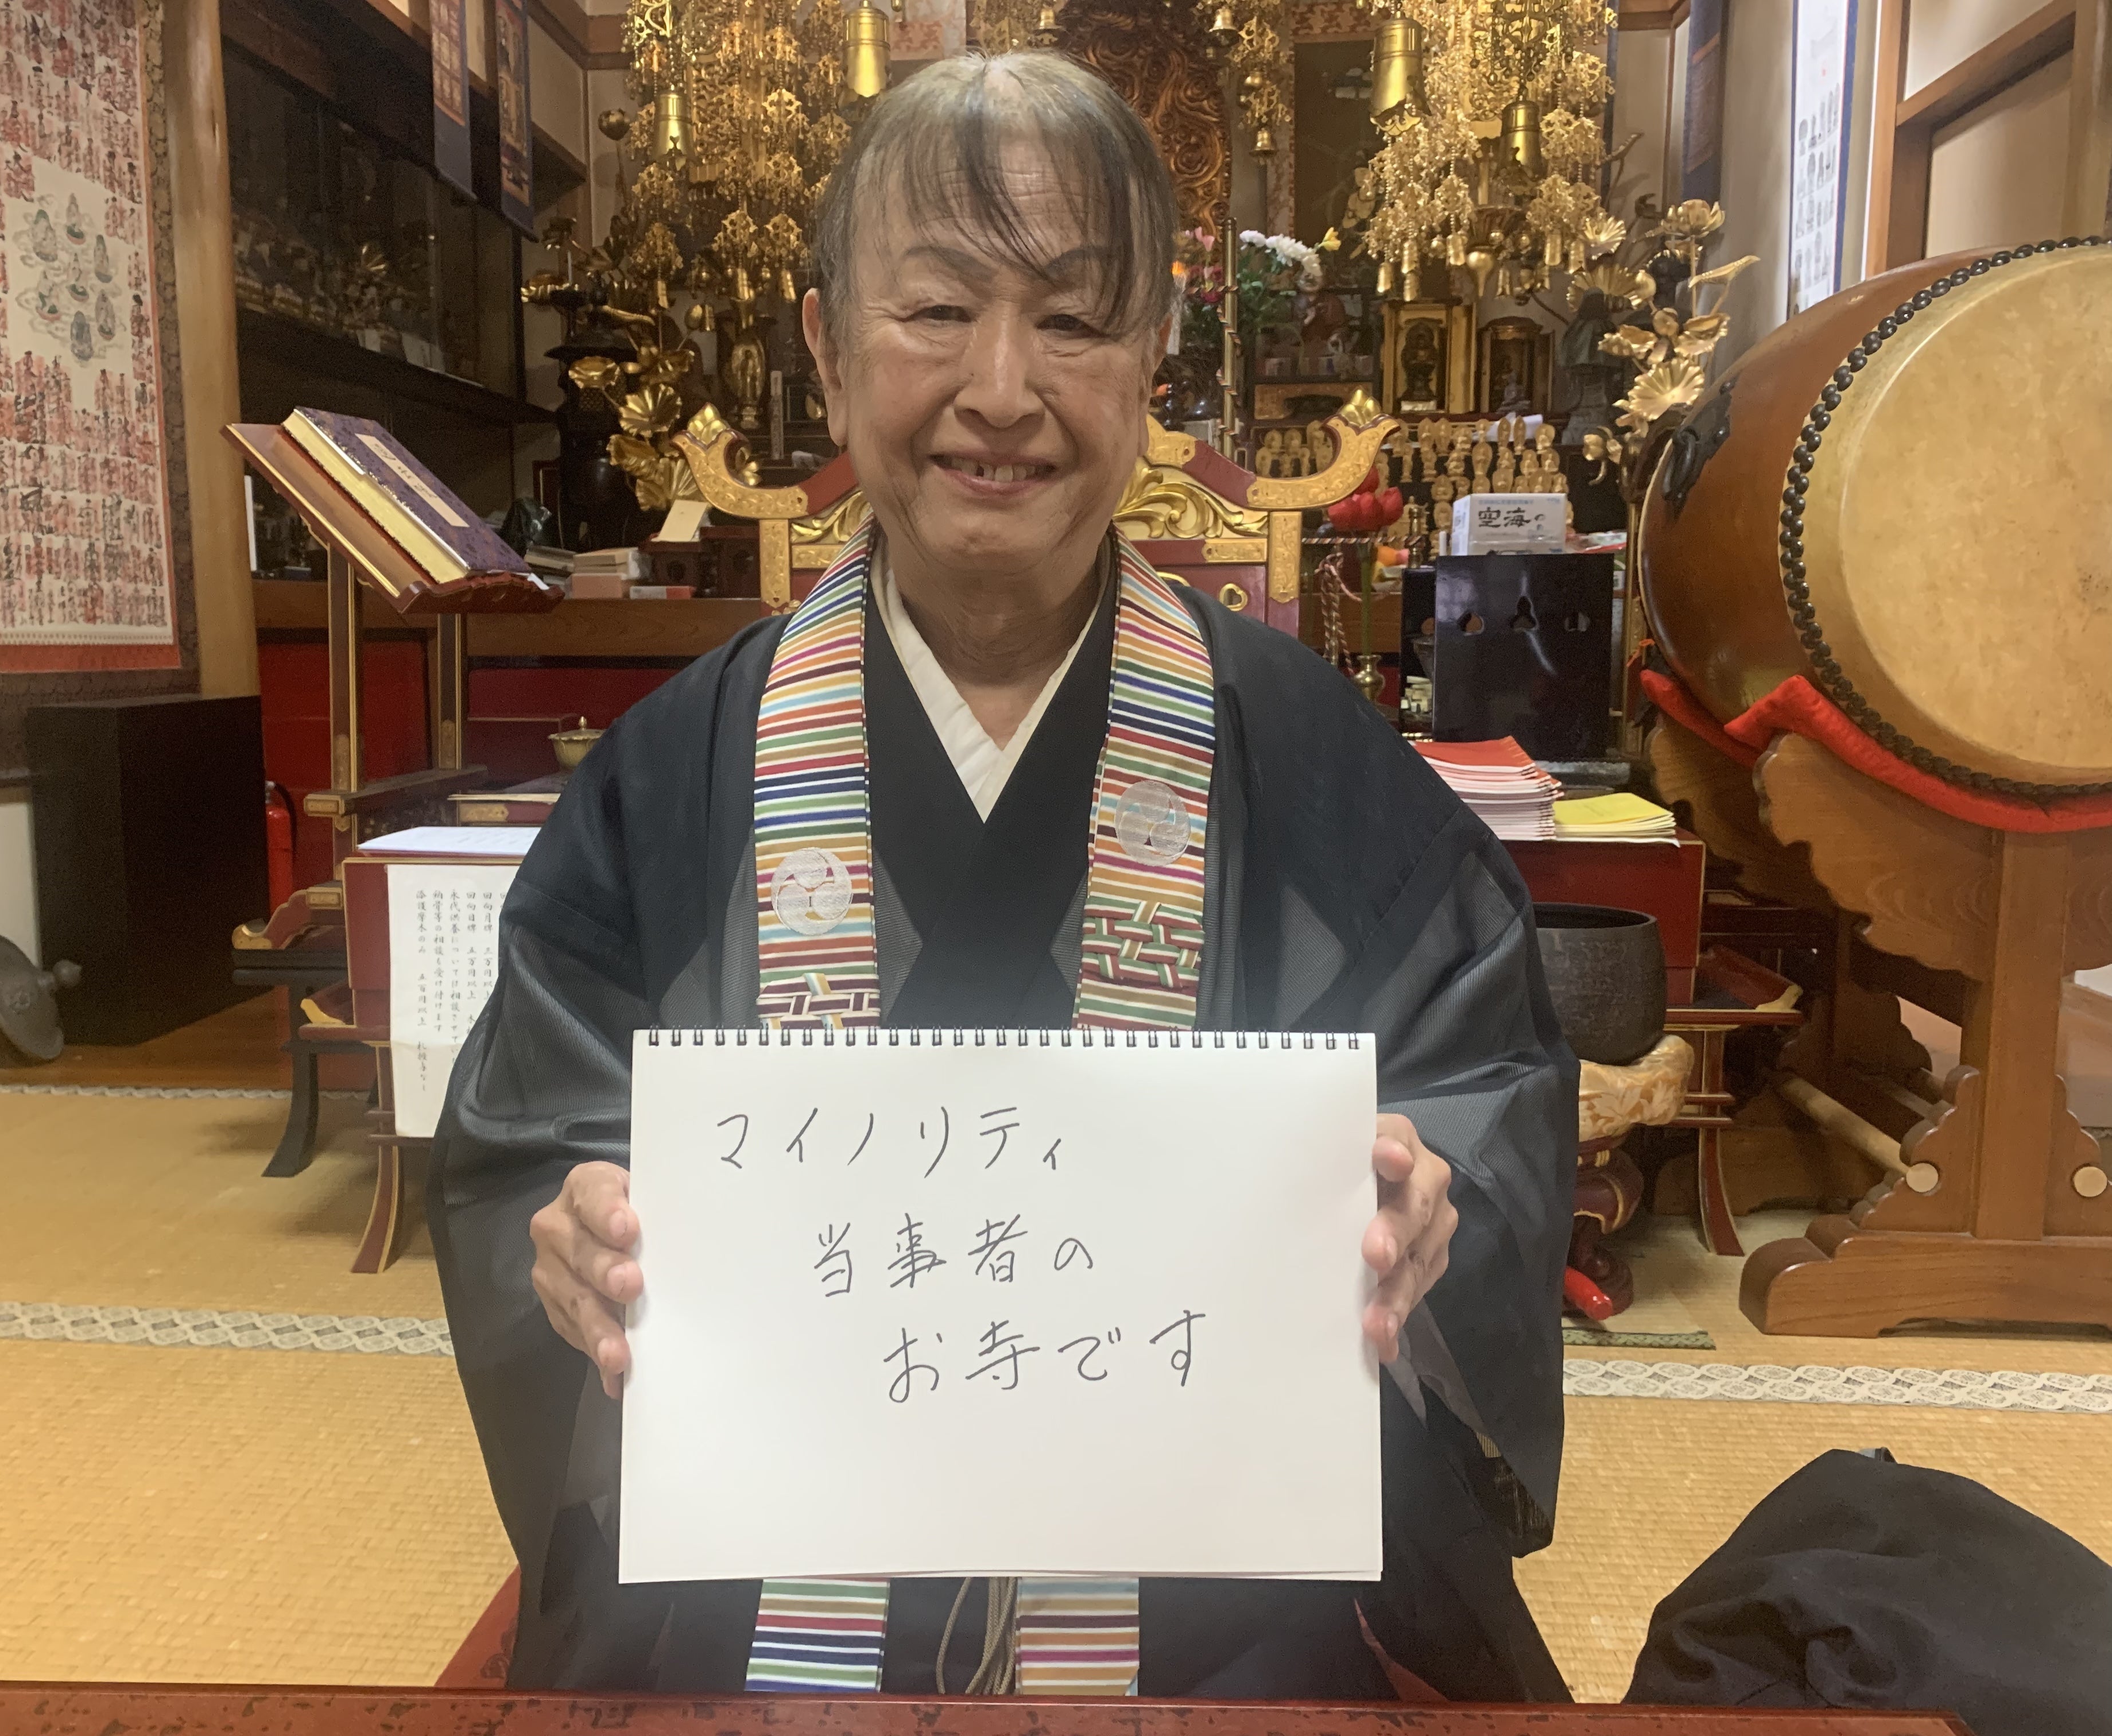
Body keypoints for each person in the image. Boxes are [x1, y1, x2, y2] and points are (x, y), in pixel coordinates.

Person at [432, 51, 1575, 1703]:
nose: (1001, 387)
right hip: (759, 1620)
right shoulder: (675, 774)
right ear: (828, 350)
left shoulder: (1309, 754)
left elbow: (1482, 1079)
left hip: (1211, 1629)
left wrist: (1428, 1207)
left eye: (1074, 318)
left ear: (1155, 361)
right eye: (935, 309)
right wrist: (570, 1239)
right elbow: (531, 1144)